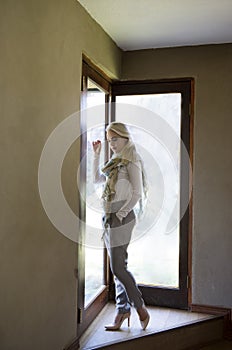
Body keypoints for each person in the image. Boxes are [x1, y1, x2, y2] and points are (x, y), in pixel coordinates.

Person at [92, 121, 150, 331]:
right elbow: (98, 180)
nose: (112, 144)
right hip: (109, 216)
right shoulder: (115, 160)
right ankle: (122, 309)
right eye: (109, 141)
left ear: (125, 137)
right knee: (118, 267)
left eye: (115, 139)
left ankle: (139, 307)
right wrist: (97, 154)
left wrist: (120, 214)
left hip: (122, 217)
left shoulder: (131, 159)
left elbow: (136, 193)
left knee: (117, 267)